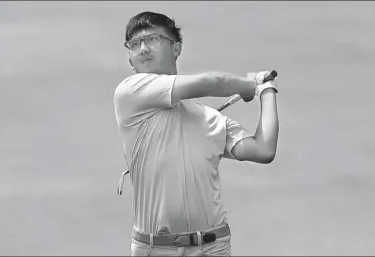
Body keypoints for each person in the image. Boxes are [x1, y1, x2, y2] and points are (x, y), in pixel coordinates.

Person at [113, 11, 279, 256]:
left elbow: (263, 150)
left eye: (152, 39)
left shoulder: (212, 119)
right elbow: (211, 83)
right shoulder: (129, 92)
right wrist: (247, 85)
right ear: (130, 59)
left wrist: (267, 93)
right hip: (156, 249)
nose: (143, 49)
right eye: (134, 44)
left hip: (213, 247)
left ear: (177, 48)